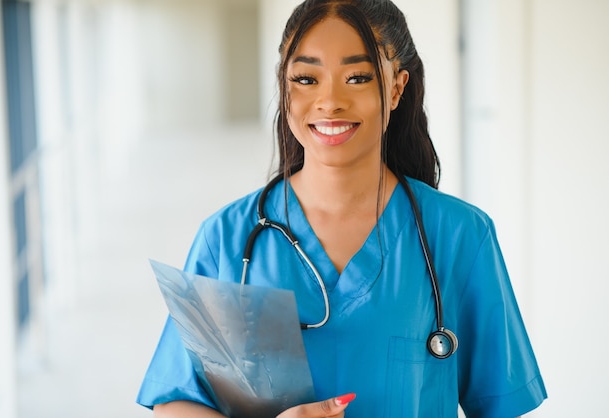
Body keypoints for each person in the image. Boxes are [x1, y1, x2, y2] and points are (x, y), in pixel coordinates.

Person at [137, 0, 547, 416]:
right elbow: (177, 400)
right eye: (306, 78)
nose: (329, 101)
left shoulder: (460, 235)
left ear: (397, 88)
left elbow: (502, 405)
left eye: (356, 77)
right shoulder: (227, 237)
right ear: (284, 85)